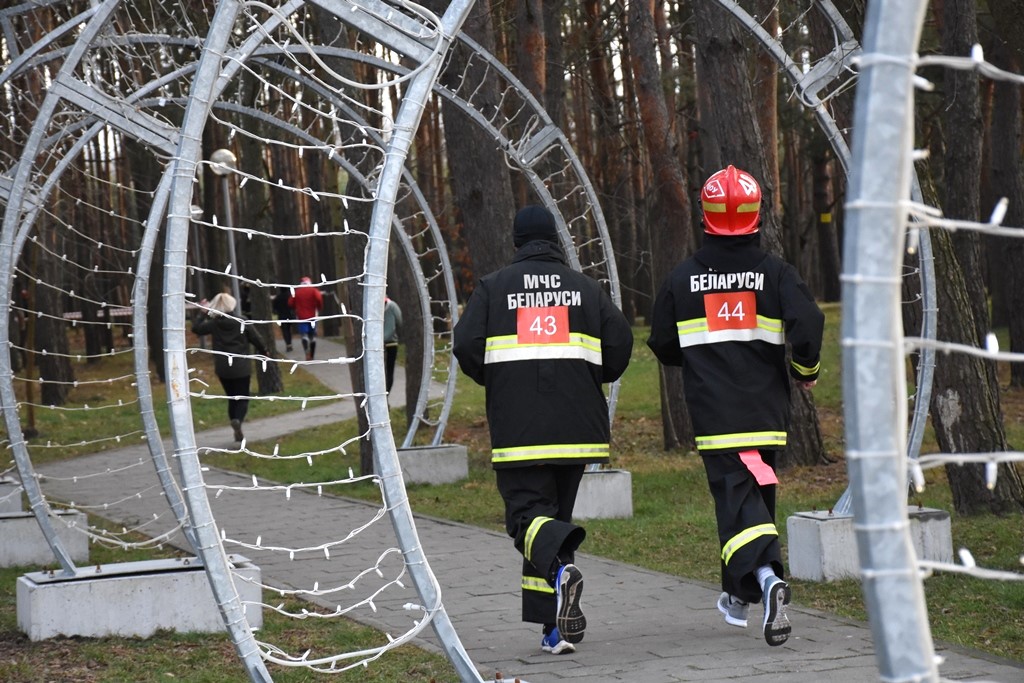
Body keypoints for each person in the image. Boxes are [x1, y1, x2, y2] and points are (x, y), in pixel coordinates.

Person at [646, 165, 824, 647]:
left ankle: (767, 581)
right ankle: (736, 598)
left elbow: (662, 342)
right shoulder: (775, 273)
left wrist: (698, 356)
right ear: (755, 217)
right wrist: (804, 372)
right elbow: (808, 323)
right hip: (767, 417)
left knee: (735, 505)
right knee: (754, 499)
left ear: (705, 217)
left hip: (718, 418)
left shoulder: (683, 278)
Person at [453, 204, 633, 655]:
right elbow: (620, 344)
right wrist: (593, 373)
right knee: (551, 525)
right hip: (578, 430)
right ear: (554, 240)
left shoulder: (495, 288)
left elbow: (465, 345)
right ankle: (554, 630)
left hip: (520, 431)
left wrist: (499, 378)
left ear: (517, 242)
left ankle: (558, 576)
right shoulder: (586, 289)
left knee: (526, 521)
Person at [192, 291, 268, 443]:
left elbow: (197, 329)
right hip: (241, 366)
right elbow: (256, 339)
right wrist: (264, 351)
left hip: (223, 367)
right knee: (243, 397)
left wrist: (203, 313)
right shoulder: (242, 321)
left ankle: (235, 423)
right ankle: (238, 421)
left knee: (231, 398)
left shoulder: (214, 324)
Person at [289, 276, 323, 360]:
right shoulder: (314, 290)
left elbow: (290, 303)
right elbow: (319, 299)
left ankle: (307, 352)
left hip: (301, 316)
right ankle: (312, 355)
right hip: (313, 316)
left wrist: (295, 307)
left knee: (304, 335)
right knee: (313, 336)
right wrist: (319, 307)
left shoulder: (297, 292)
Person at [383, 295, 403, 393]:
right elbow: (399, 321)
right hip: (391, 343)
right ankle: (387, 393)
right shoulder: (393, 306)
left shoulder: (374, 307)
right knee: (389, 371)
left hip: (378, 344)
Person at [272, 286, 295, 352]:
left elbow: (274, 308)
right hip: (289, 315)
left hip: (281, 316)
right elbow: (292, 305)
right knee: (289, 329)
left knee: (284, 330)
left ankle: (287, 344)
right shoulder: (289, 296)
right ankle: (289, 343)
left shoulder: (278, 297)